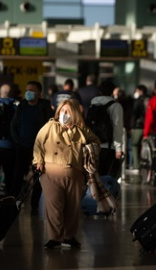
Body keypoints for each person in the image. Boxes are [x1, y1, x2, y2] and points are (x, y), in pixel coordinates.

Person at [33, 98, 100, 249]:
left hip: (75, 174)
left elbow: (96, 142)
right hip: (50, 173)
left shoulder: (82, 129)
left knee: (72, 207)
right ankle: (54, 238)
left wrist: (89, 150)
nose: (64, 114)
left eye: (68, 111)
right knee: (54, 206)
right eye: (62, 111)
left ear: (75, 113)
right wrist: (39, 161)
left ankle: (69, 237)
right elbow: (38, 143)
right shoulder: (51, 126)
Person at [10, 81, 53, 214]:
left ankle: (34, 205)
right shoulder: (22, 106)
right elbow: (13, 125)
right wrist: (17, 141)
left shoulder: (44, 107)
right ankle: (14, 201)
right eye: (27, 90)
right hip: (22, 146)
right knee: (17, 175)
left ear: (38, 93)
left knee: (37, 178)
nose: (28, 93)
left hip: (39, 149)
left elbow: (51, 127)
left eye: (31, 90)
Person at [89, 80, 124, 177]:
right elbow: (118, 128)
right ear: (113, 91)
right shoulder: (116, 106)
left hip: (93, 146)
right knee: (107, 178)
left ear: (100, 91)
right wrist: (118, 149)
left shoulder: (93, 103)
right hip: (109, 147)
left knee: (95, 177)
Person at [130, 85, 149, 170]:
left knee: (135, 145)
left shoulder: (138, 101)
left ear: (140, 91)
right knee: (146, 145)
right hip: (149, 126)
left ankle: (136, 165)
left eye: (137, 90)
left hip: (139, 126)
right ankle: (147, 164)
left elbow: (134, 114)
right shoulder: (150, 99)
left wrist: (132, 126)